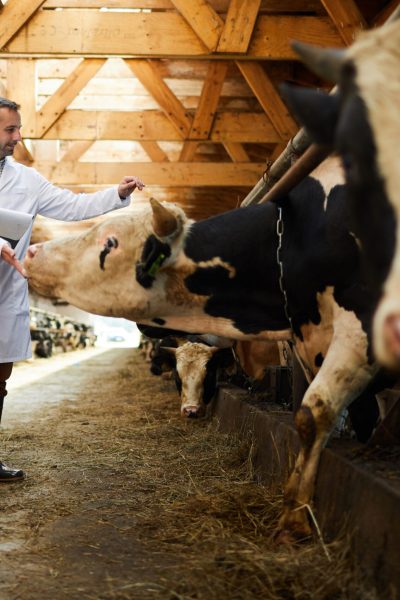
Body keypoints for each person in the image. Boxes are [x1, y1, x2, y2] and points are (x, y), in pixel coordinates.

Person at [0, 97, 145, 481]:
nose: (17, 137)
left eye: (17, 128)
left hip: (4, 295)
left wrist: (117, 194)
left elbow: (72, 206)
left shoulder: (26, 180)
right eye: (9, 130)